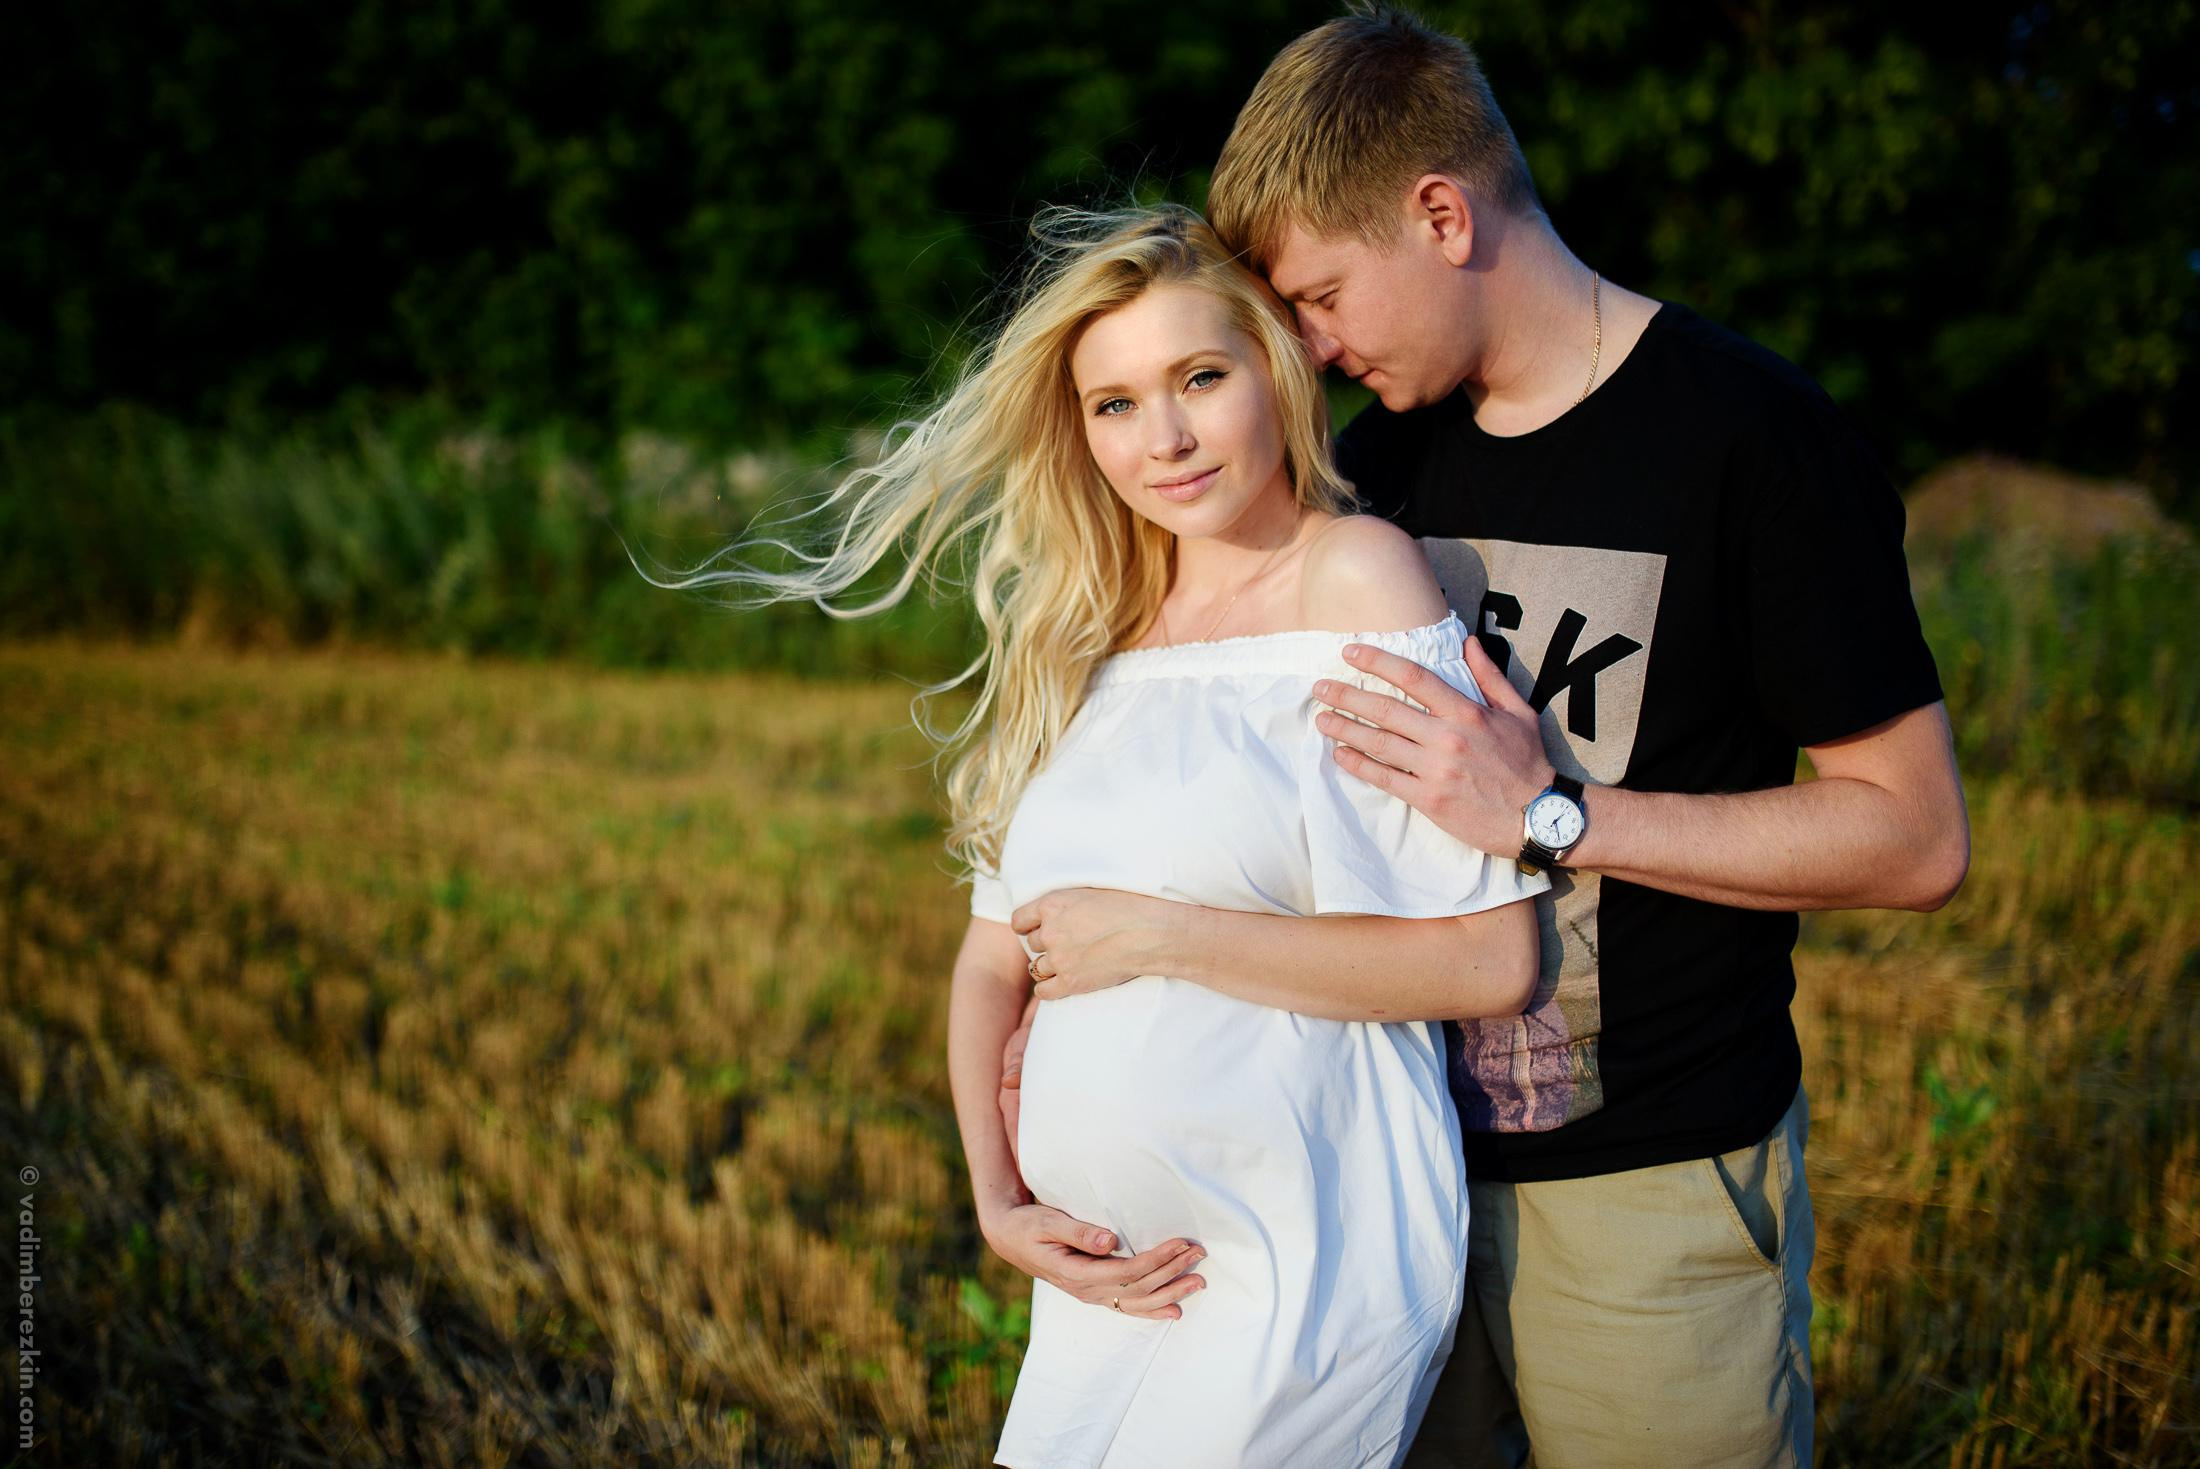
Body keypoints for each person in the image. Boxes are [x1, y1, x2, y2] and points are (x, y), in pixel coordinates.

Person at [1000, 8, 1971, 1467]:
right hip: (1364, 1172)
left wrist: (1558, 811)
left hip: (1640, 1186)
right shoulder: (1369, 460)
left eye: (1320, 298)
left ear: (1440, 213)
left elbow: (1915, 834)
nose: (1306, 352)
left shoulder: (1754, 441)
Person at [678, 203, 1549, 1466]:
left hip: (1302, 1251)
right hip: (1102, 1276)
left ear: (1277, 368)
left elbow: (1484, 962)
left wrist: (1165, 938)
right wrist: (998, 1200)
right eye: (1116, 404)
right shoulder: (1082, 631)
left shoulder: (1353, 578)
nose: (1169, 438)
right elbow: (994, 956)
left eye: (1200, 378)